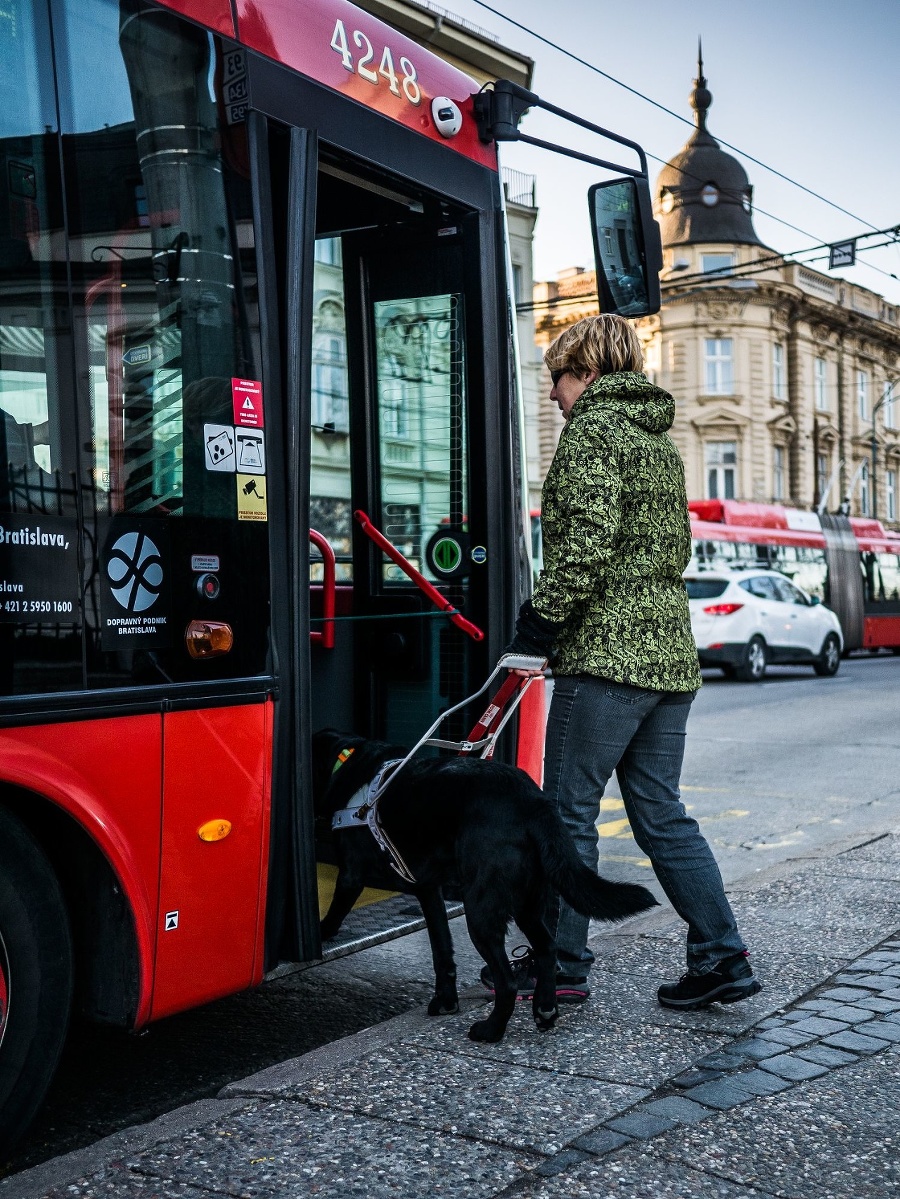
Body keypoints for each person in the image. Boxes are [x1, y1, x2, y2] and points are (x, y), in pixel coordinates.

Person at [490, 314, 760, 1011]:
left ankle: (564, 963)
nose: (553, 395)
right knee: (662, 814)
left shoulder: (591, 435)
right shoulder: (658, 444)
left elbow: (583, 548)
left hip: (606, 661)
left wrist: (538, 625)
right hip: (669, 660)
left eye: (558, 378)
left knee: (569, 812)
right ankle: (721, 955)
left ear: (587, 371)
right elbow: (675, 551)